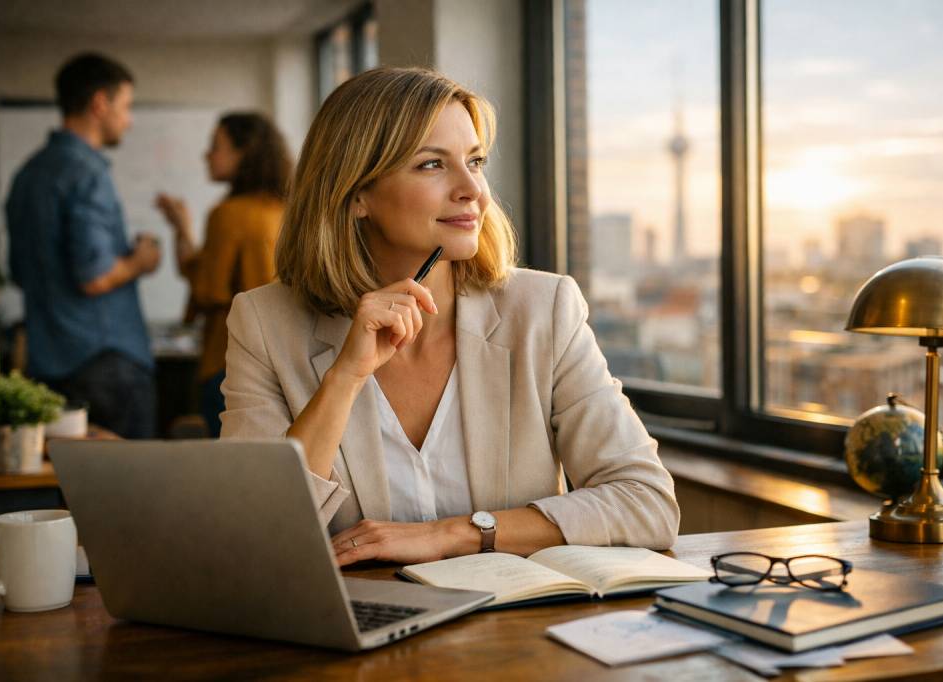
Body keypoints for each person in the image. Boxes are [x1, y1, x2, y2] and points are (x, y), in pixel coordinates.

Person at [221, 67, 679, 566]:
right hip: (359, 632)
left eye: (475, 161)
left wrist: (454, 534)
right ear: (356, 194)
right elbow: (253, 534)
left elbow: (646, 502)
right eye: (431, 165)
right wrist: (344, 379)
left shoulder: (544, 309)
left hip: (514, 631)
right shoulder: (264, 323)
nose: (473, 190)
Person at [6, 53, 161, 439]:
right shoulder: (87, 173)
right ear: (99, 104)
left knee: (71, 490)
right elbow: (95, 277)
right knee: (133, 494)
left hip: (48, 364)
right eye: (125, 106)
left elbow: (18, 272)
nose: (129, 119)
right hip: (105, 364)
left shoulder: (27, 174)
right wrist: (141, 260)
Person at [155, 113, 291, 437]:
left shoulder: (228, 214)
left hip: (230, 357)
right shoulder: (287, 209)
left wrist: (181, 232)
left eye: (216, 146)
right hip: (283, 357)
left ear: (245, 153)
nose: (207, 155)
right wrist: (184, 229)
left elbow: (208, 290)